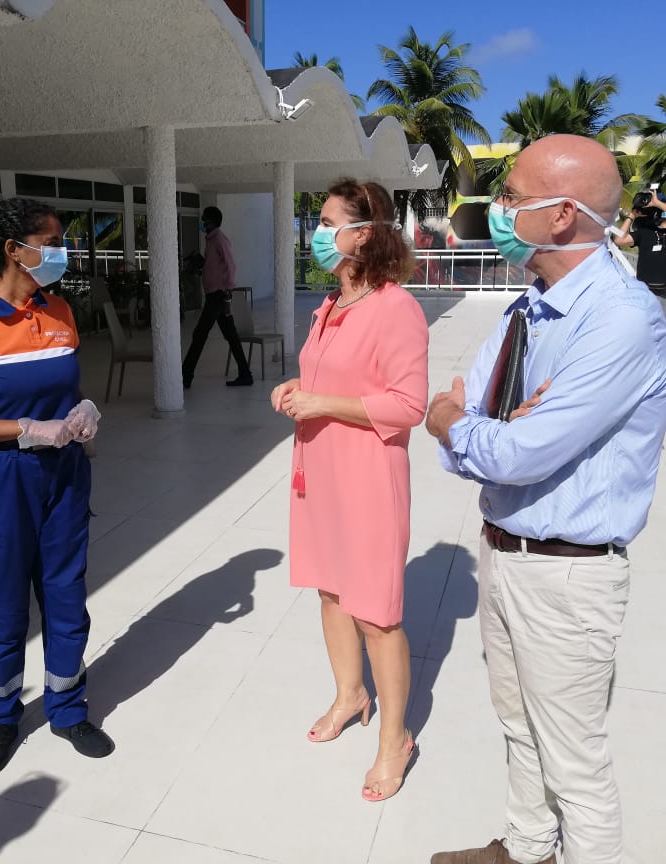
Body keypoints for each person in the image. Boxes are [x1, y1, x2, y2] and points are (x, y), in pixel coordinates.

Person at [424, 136, 666, 864]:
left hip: (567, 573)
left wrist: (465, 426)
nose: (498, 209)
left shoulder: (620, 317)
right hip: (505, 548)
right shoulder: (528, 307)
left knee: (575, 765)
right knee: (519, 727)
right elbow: (471, 417)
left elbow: (508, 448)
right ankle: (526, 848)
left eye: (511, 196)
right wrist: (475, 427)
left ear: (561, 214)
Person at [0, 198, 114, 776]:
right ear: (14, 250)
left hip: (64, 476)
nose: (63, 253)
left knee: (65, 597)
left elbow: (65, 390)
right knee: (4, 606)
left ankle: (68, 708)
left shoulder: (60, 311)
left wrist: (82, 411)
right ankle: (0, 716)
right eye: (51, 243)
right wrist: (24, 429)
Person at [270, 179, 428, 802]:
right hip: (320, 471)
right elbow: (331, 377)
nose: (317, 230)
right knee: (331, 590)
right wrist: (297, 389)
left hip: (367, 477)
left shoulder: (395, 307)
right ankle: (350, 694)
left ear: (363, 234)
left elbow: (408, 404)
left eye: (328, 221)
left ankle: (395, 738)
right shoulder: (332, 304)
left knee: (377, 613)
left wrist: (323, 403)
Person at [181, 206, 254, 388]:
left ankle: (185, 376)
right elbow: (216, 266)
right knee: (231, 335)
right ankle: (245, 374)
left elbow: (231, 265)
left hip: (218, 295)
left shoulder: (219, 239)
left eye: (205, 219)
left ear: (212, 222)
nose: (202, 222)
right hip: (215, 294)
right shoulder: (211, 240)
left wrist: (228, 289)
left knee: (200, 333)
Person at [613, 190, 666, 359]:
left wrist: (658, 203)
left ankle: (665, 368)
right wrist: (632, 215)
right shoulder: (647, 231)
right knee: (640, 332)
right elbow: (619, 240)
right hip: (644, 292)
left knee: (664, 335)